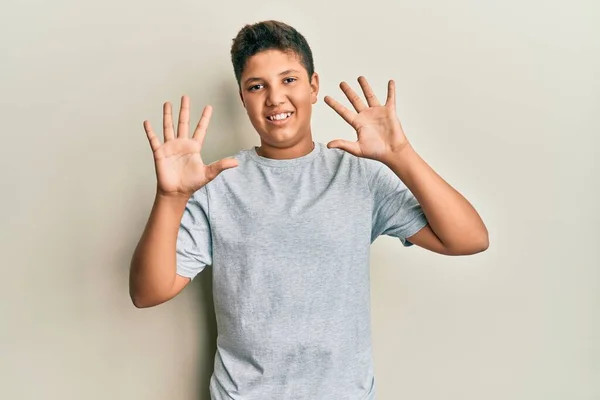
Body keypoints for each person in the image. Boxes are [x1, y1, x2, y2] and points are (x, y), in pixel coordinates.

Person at [129, 20, 488, 400]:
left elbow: (470, 239)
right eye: (257, 86)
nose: (274, 98)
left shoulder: (359, 176)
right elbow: (147, 292)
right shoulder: (218, 184)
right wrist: (170, 198)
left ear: (313, 86)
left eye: (289, 80)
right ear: (243, 97)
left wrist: (401, 157)